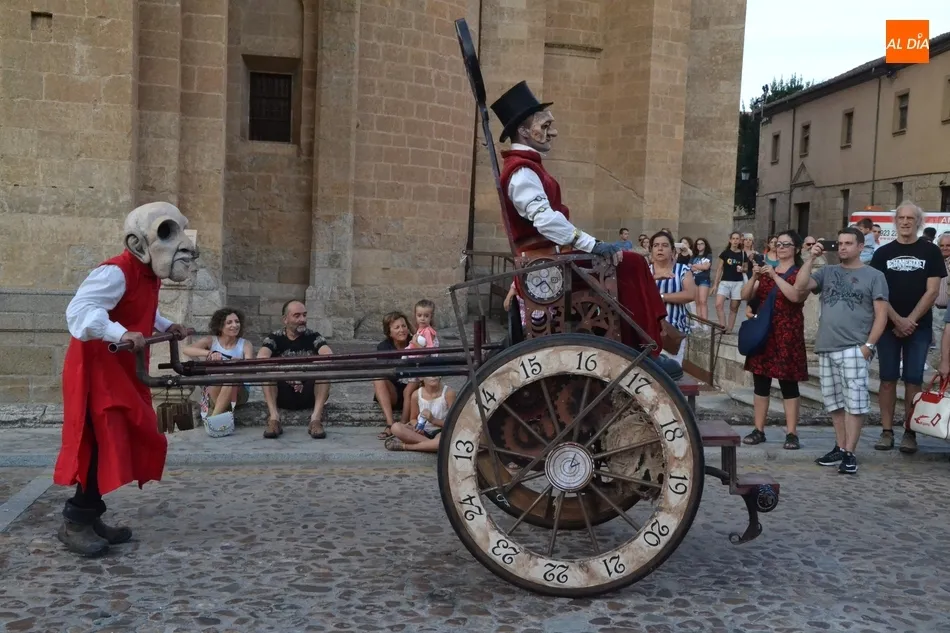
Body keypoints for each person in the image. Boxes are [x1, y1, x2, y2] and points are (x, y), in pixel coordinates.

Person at [489, 81, 678, 377]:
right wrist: (593, 245)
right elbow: (545, 221)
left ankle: (641, 343)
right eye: (545, 126)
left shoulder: (526, 168)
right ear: (524, 131)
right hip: (545, 267)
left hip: (548, 262)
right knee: (632, 264)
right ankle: (643, 348)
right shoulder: (522, 172)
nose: (553, 132)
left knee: (629, 263)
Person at [55, 201, 196, 557]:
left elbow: (144, 310)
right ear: (138, 243)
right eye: (168, 232)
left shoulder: (147, 276)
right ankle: (76, 521)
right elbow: (79, 311)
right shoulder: (115, 272)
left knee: (118, 438)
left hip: (120, 370)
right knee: (98, 441)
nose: (185, 244)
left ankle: (90, 517)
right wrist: (119, 333)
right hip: (97, 372)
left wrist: (168, 326)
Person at [795, 228, 888, 474]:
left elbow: (881, 315)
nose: (843, 247)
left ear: (861, 247)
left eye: (848, 243)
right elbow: (800, 286)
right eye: (840, 243)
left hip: (854, 348)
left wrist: (868, 346)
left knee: (854, 404)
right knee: (834, 403)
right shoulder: (828, 272)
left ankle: (850, 453)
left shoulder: (874, 275)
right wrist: (811, 258)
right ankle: (840, 446)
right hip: (827, 346)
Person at [869, 201, 946, 454]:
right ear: (895, 222)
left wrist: (910, 320)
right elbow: (877, 292)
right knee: (887, 379)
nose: (905, 222)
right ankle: (886, 431)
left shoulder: (931, 252)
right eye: (901, 218)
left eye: (910, 218)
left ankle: (910, 431)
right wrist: (896, 320)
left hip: (918, 327)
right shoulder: (882, 253)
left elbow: (932, 291)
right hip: (887, 326)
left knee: (913, 380)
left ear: (918, 222)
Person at [739, 231, 808, 449]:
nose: (781, 247)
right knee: (761, 383)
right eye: (779, 244)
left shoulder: (799, 273)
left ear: (796, 249)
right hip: (765, 332)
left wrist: (775, 276)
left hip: (788, 334)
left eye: (786, 244)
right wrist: (755, 277)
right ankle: (758, 429)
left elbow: (795, 296)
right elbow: (744, 295)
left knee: (789, 384)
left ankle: (792, 433)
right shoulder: (766, 271)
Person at [257, 300, 333, 440]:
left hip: (308, 392)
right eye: (297, 316)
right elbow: (262, 358)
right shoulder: (274, 338)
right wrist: (288, 376)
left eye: (304, 315)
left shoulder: (314, 337)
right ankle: (274, 419)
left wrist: (302, 375)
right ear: (285, 319)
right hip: (282, 393)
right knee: (267, 372)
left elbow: (327, 355)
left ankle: (315, 420)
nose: (302, 319)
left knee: (324, 373)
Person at [181, 307, 253, 424]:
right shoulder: (211, 341)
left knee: (230, 376)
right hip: (214, 389)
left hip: (238, 393)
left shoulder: (245, 344)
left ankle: (213, 418)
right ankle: (217, 416)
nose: (235, 325)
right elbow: (187, 350)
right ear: (220, 326)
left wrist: (240, 363)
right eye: (229, 322)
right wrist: (209, 353)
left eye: (237, 321)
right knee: (218, 377)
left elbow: (249, 368)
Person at [649, 231, 696, 365]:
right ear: (651, 250)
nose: (660, 248)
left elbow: (690, 294)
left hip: (671, 332)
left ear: (673, 251)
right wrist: (653, 278)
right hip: (647, 332)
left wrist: (662, 297)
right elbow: (635, 293)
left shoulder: (682, 269)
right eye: (656, 245)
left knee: (670, 372)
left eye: (664, 245)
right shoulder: (645, 271)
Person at [384, 376, 456, 452]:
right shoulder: (416, 394)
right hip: (423, 431)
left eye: (436, 373)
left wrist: (433, 420)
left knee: (440, 441)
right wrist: (417, 426)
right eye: (430, 374)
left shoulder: (448, 393)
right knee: (395, 427)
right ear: (421, 378)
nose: (433, 376)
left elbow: (455, 422)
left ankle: (406, 446)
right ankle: (432, 446)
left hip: (441, 430)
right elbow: (413, 419)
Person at [373, 311, 415, 439]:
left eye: (404, 326)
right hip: (394, 393)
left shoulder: (415, 343)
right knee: (378, 376)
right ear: (389, 332)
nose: (402, 330)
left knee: (414, 383)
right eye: (397, 327)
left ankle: (404, 424)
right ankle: (390, 424)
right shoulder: (383, 347)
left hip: (413, 392)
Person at [712, 231, 747, 333]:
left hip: (738, 283)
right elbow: (719, 269)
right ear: (730, 240)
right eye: (733, 239)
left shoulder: (743, 254)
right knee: (718, 304)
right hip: (725, 282)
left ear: (740, 241)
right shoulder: (725, 253)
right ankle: (723, 326)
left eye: (737, 239)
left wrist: (742, 269)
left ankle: (729, 329)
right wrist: (715, 284)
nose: (735, 241)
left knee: (734, 307)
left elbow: (746, 268)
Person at [690, 238, 713, 322]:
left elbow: (706, 267)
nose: (699, 245)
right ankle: (699, 322)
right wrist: (701, 266)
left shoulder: (708, 255)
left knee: (703, 301)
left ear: (705, 245)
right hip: (694, 279)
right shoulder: (694, 256)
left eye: (701, 243)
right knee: (697, 302)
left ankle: (705, 323)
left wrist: (695, 266)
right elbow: (690, 267)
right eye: (698, 244)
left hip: (704, 279)